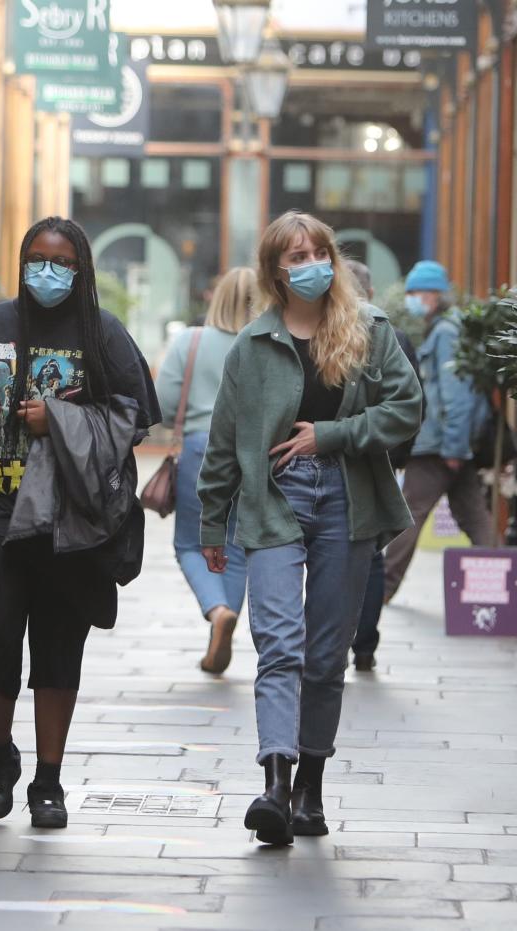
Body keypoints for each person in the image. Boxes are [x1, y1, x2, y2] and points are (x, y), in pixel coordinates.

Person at [0, 217, 159, 830]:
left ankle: (49, 779)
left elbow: (136, 417)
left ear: (81, 271)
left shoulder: (104, 335)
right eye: (37, 259)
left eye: (62, 262)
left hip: (70, 522)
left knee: (58, 642)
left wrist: (64, 421)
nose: (48, 272)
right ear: (22, 262)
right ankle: (0, 757)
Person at [198, 213, 422, 845]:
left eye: (318, 252)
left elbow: (406, 410)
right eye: (295, 256)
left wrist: (332, 434)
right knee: (279, 644)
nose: (309, 265)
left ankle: (309, 789)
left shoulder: (370, 331)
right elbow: (223, 443)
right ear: (275, 270)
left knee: (325, 658)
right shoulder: (252, 345)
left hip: (347, 498)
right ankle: (274, 780)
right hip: (274, 498)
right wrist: (212, 521)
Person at [154, 267, 256, 674]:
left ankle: (217, 614)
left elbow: (161, 404)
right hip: (253, 452)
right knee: (236, 546)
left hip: (199, 449)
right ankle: (224, 619)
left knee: (190, 545)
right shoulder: (265, 344)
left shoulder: (190, 342)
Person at [382, 260, 493, 604]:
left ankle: (381, 589)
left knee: (408, 514)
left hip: (438, 446)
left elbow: (457, 396)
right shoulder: (446, 329)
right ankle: (500, 588)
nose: (413, 299)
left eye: (416, 292)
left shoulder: (446, 332)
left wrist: (455, 449)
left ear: (432, 294)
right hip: (449, 446)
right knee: (475, 518)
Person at [344, 261, 422, 672]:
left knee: (327, 550)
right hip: (380, 460)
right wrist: (398, 458)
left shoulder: (330, 334)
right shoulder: (396, 336)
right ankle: (365, 645)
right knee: (371, 553)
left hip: (338, 459)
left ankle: (332, 641)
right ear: (370, 293)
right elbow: (412, 404)